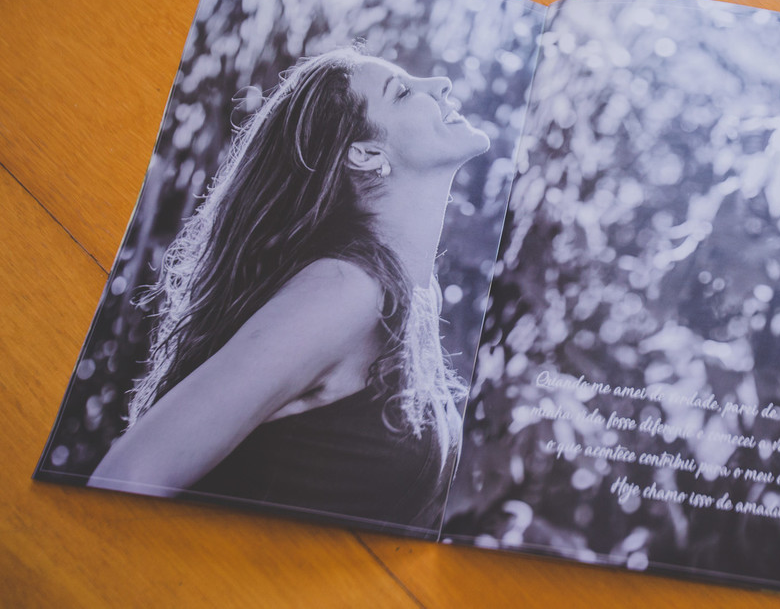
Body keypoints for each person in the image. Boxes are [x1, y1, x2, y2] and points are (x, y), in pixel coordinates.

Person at [89, 46, 490, 531]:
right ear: (365, 154)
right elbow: (129, 473)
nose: (441, 85)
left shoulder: (410, 297)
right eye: (403, 92)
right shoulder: (345, 290)